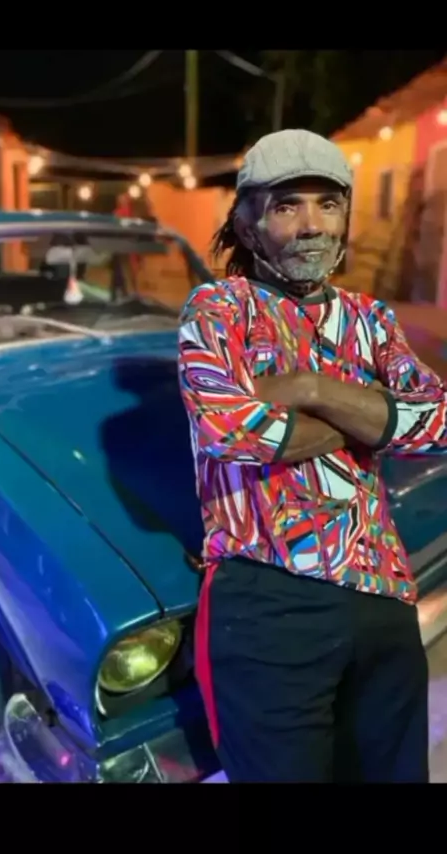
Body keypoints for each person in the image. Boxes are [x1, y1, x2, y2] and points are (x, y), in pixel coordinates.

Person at [177, 128, 447, 783]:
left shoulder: (371, 319)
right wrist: (375, 415)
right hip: (269, 599)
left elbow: (438, 421)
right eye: (286, 205)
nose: (311, 226)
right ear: (248, 223)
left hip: (383, 593)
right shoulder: (219, 310)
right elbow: (232, 431)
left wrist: (309, 389)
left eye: (328, 204)